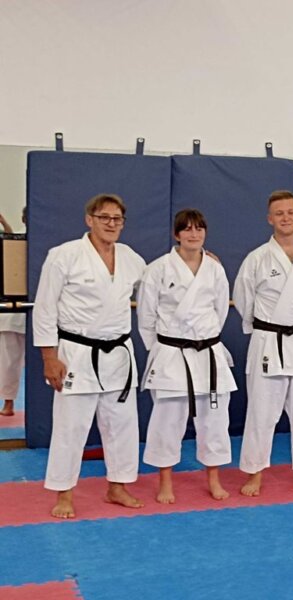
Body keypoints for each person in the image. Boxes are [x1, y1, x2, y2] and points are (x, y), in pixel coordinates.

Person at [33, 193, 146, 519]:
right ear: (89, 219)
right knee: (71, 427)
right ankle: (64, 493)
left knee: (122, 425)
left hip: (118, 354)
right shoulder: (64, 255)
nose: (111, 224)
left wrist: (193, 256)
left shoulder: (130, 258)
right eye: (104, 217)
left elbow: (157, 281)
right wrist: (49, 357)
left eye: (117, 219)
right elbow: (44, 309)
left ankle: (117, 486)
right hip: (76, 353)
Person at [234, 190, 293, 496]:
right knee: (261, 412)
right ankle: (254, 473)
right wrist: (260, 328)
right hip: (268, 341)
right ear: (269, 219)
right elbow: (243, 299)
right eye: (279, 213)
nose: (285, 218)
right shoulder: (258, 258)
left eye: (290, 212)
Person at [138, 209, 237, 503]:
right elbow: (146, 316)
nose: (194, 234)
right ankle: (165, 481)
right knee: (167, 420)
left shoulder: (214, 269)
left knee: (215, 419)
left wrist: (205, 337)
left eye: (199, 229)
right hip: (171, 352)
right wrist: (161, 351)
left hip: (208, 352)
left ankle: (214, 478)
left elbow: (220, 310)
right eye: (187, 229)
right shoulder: (158, 269)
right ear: (176, 234)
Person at [0, 209, 26, 417]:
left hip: (41, 312)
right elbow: (10, 238)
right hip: (12, 311)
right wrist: (4, 223)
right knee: (9, 362)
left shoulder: (50, 244)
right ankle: (8, 403)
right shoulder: (14, 241)